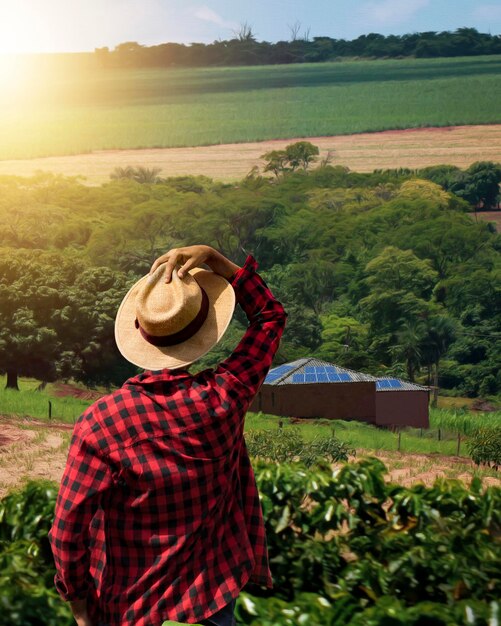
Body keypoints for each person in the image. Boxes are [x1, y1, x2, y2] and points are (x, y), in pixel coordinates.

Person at [48, 245, 287, 626]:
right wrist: (218, 260)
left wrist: (79, 605)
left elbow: (66, 531)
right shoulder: (225, 397)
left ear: (141, 334)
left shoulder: (102, 423)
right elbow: (270, 317)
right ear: (204, 331)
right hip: (210, 601)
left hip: (132, 609)